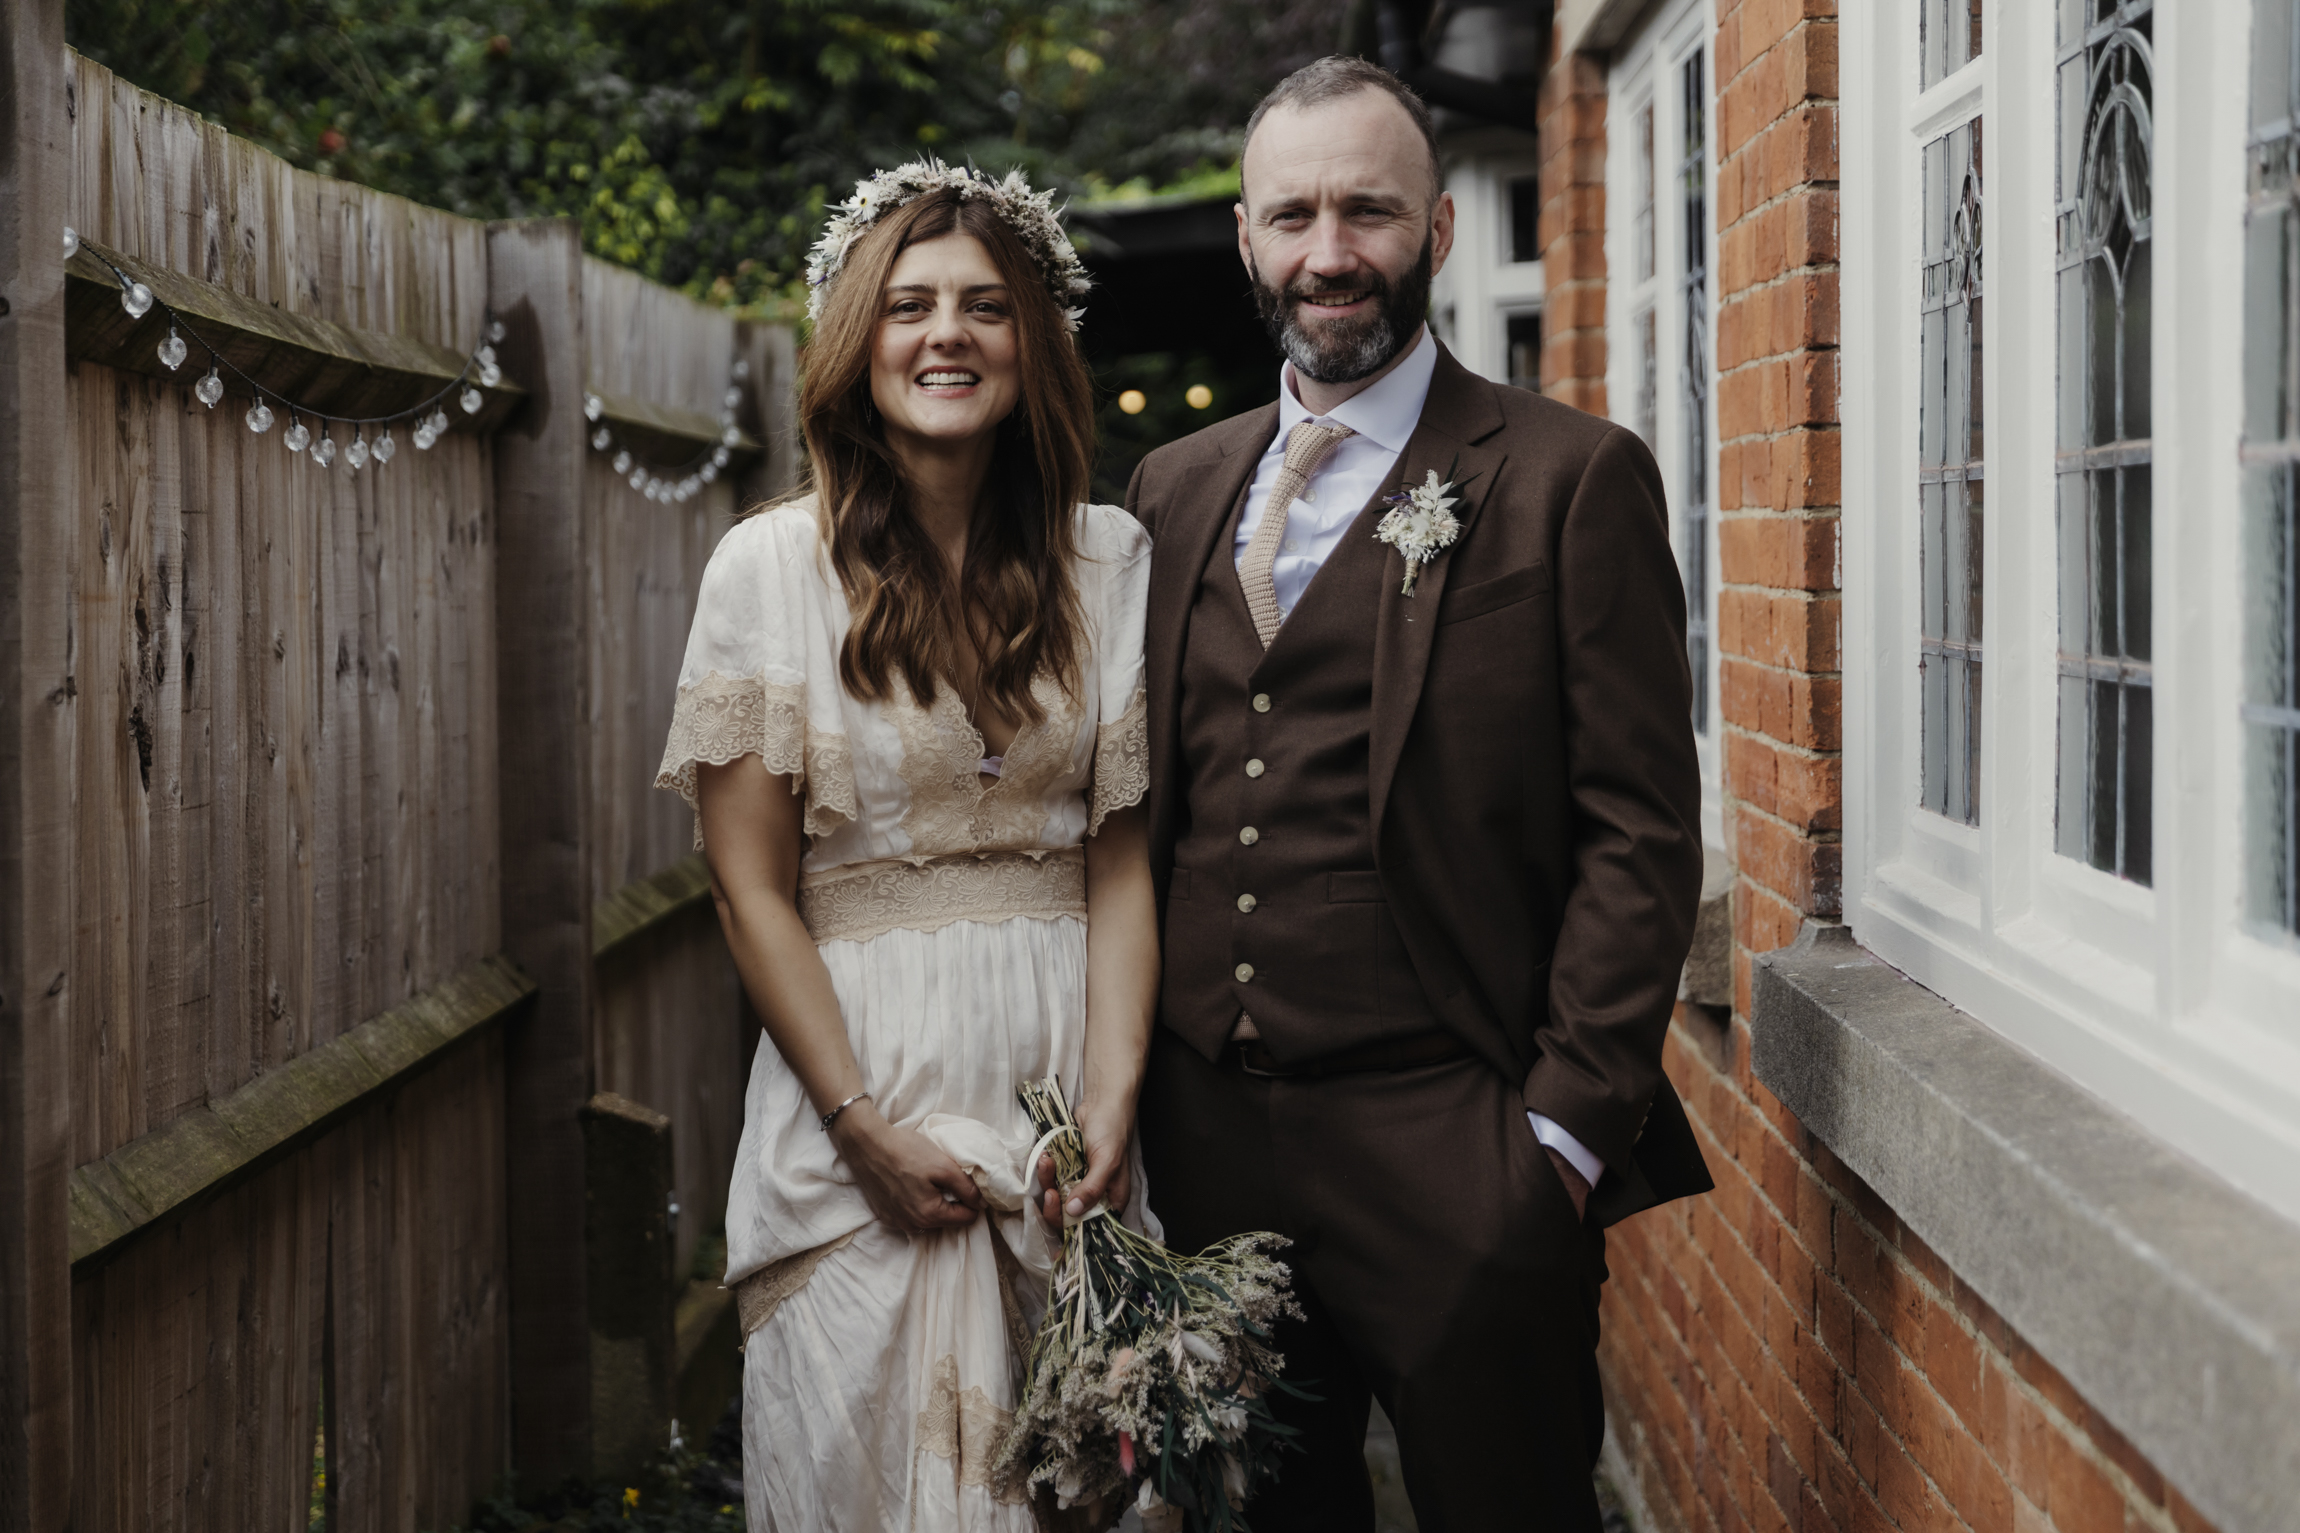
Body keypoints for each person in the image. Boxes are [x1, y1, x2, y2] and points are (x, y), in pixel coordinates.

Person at [1126, 57, 1715, 1531]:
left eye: (1369, 211)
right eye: (1296, 215)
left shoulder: (1573, 478)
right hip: (1207, 1151)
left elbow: (1639, 833)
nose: (1332, 252)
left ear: (1440, 230)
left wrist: (1561, 1141)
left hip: (1461, 1140)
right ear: (1250, 241)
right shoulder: (1170, 491)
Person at [655, 163, 1159, 1532]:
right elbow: (749, 885)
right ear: (856, 339)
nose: (949, 334)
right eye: (911, 305)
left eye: (988, 306)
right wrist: (860, 1125)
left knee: (1079, 1497)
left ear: (1032, 342)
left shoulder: (1109, 561)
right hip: (863, 1097)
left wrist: (1113, 1104)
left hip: (1064, 1103)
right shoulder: (767, 570)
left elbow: (1118, 859)